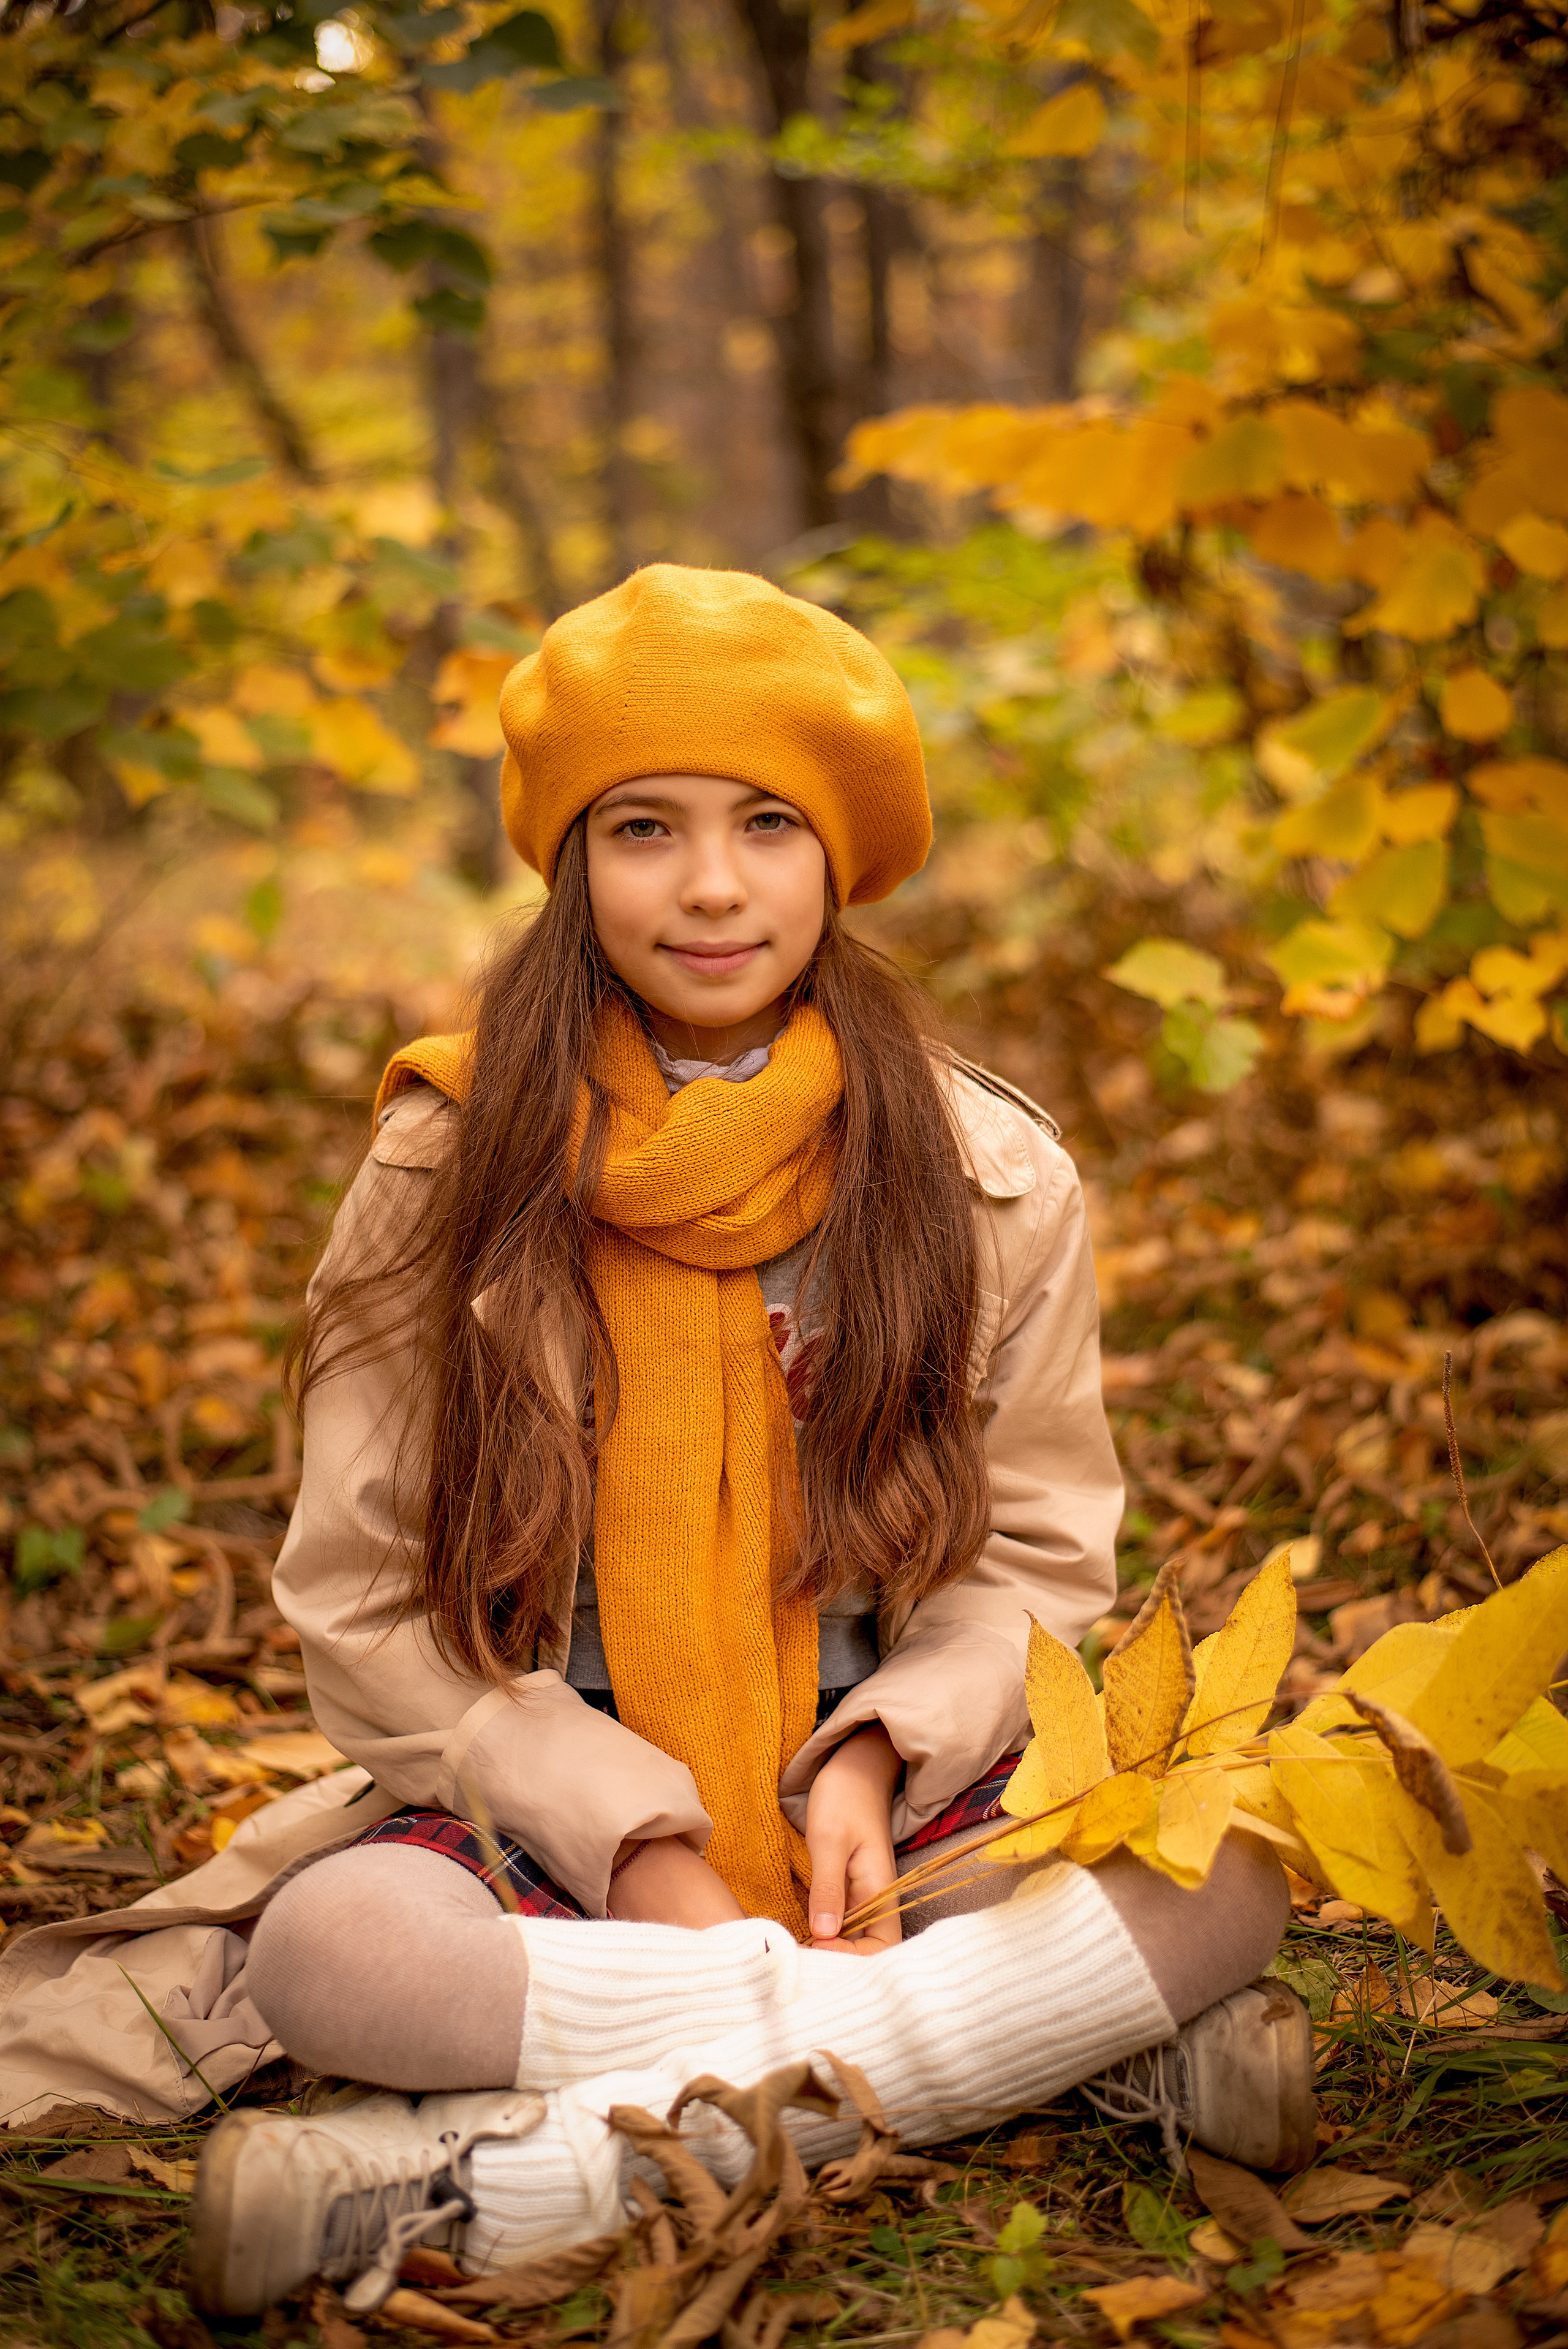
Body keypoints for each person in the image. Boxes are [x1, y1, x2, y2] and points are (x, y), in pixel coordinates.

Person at [184, 566, 1311, 2318]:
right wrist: (639, 1843)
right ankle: (1041, 2044)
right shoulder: (449, 1164)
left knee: (1232, 1850)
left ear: (839, 852)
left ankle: (481, 2182)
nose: (711, 884)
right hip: (552, 1787)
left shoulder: (983, 1172)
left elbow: (1029, 1555)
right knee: (333, 1948)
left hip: (897, 1795)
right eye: (645, 826)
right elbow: (359, 1588)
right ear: (573, 859)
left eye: (768, 822)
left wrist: (877, 1757)